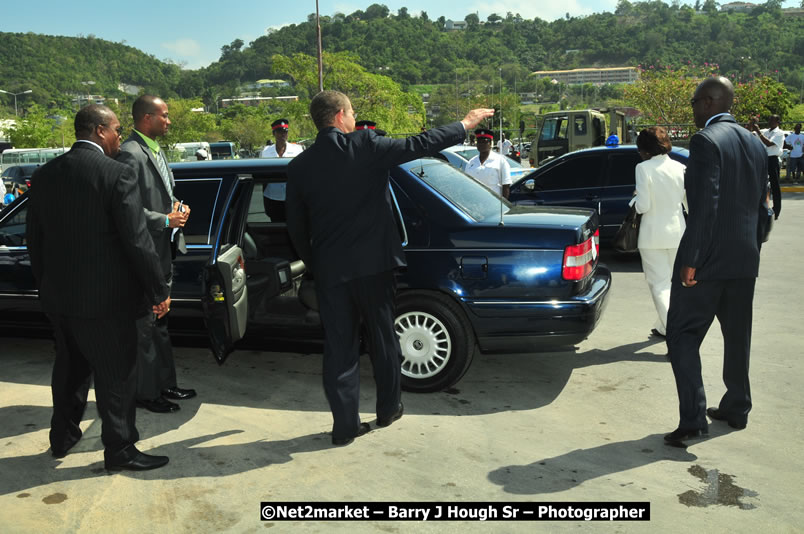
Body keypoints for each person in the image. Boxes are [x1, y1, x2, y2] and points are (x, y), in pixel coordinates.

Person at [285, 90, 493, 446]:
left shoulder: (299, 167)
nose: (354, 118)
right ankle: (388, 408)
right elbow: (420, 144)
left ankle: (345, 428)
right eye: (351, 112)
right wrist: (465, 123)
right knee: (383, 338)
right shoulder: (366, 145)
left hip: (332, 272)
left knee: (340, 349)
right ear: (339, 116)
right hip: (375, 267)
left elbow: (296, 228)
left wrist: (318, 261)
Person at [26, 104, 171, 471]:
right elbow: (137, 242)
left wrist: (47, 288)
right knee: (117, 376)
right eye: (117, 131)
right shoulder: (116, 175)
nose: (119, 138)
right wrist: (158, 291)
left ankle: (63, 437)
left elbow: (34, 242)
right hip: (108, 303)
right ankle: (120, 449)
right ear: (99, 130)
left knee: (69, 370)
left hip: (60, 299)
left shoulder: (44, 175)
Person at [664, 77, 769, 446]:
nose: (692, 109)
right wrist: (754, 244)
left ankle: (693, 419)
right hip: (745, 258)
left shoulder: (705, 141)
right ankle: (737, 406)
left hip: (706, 262)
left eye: (694, 102)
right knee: (738, 336)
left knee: (681, 335)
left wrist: (692, 259)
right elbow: (763, 206)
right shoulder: (755, 142)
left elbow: (705, 207)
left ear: (708, 102)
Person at [117, 95, 196, 414]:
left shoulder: (155, 149)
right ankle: (146, 394)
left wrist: (176, 206)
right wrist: (164, 219)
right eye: (164, 116)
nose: (169, 120)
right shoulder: (129, 154)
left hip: (162, 250)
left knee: (161, 321)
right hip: (144, 252)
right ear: (147, 118)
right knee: (146, 325)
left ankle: (165, 383)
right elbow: (126, 209)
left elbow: (162, 192)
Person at [631, 126, 687, 339]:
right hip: (678, 232)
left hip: (652, 235)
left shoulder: (643, 168)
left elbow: (643, 206)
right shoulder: (680, 167)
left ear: (644, 150)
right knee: (676, 284)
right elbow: (687, 204)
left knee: (660, 286)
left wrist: (634, 199)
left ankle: (675, 332)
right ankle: (663, 326)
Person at [261, 118, 303, 222]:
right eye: (279, 132)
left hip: (293, 197)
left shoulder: (297, 150)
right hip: (272, 197)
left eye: (285, 132)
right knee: (276, 227)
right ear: (274, 134)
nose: (282, 135)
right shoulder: (266, 152)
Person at [750, 114, 784, 219]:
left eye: (772, 120)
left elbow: (769, 143)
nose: (769, 122)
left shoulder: (779, 133)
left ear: (777, 121)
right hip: (763, 159)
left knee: (775, 186)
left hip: (773, 160)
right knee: (760, 184)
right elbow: (751, 133)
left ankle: (776, 210)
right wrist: (753, 123)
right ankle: (762, 208)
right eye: (769, 120)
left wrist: (758, 131)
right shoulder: (766, 131)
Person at [465, 128, 512, 198]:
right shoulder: (471, 162)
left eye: (484, 141)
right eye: (479, 141)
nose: (481, 144)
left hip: (493, 204)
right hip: (474, 203)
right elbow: (466, 185)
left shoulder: (500, 161)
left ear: (490, 144)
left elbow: (506, 187)